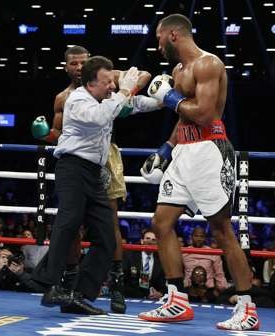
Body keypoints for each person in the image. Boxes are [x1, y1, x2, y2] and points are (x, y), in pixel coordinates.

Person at [138, 14, 259, 330]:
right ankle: (177, 300)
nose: (158, 45)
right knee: (161, 223)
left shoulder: (209, 64)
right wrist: (165, 150)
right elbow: (183, 118)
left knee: (221, 230)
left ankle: (247, 308)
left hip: (210, 151)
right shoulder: (178, 71)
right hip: (183, 152)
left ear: (174, 34)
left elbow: (204, 115)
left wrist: (169, 98)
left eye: (160, 38)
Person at [32, 55, 160, 315]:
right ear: (91, 83)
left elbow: (136, 104)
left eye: (112, 82)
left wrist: (167, 98)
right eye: (106, 82)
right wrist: (125, 89)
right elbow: (102, 117)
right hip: (72, 168)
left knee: (106, 237)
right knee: (68, 222)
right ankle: (49, 284)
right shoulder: (78, 100)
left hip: (94, 174)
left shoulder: (106, 99)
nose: (112, 86)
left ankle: (77, 294)